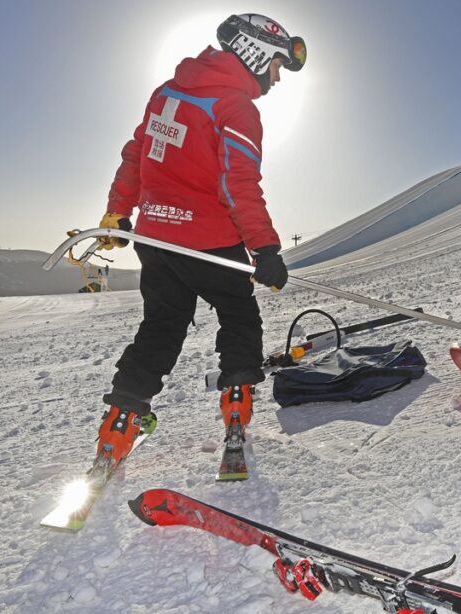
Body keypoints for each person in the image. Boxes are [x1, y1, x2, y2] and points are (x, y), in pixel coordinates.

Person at [92, 13, 306, 474]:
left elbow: (137, 155)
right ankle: (236, 407)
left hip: (155, 238)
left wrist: (118, 209)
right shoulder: (236, 106)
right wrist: (264, 249)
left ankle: (119, 427)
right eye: (275, 66)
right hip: (210, 243)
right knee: (238, 315)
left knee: (162, 326)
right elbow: (239, 185)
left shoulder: (167, 93)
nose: (275, 78)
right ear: (253, 52)